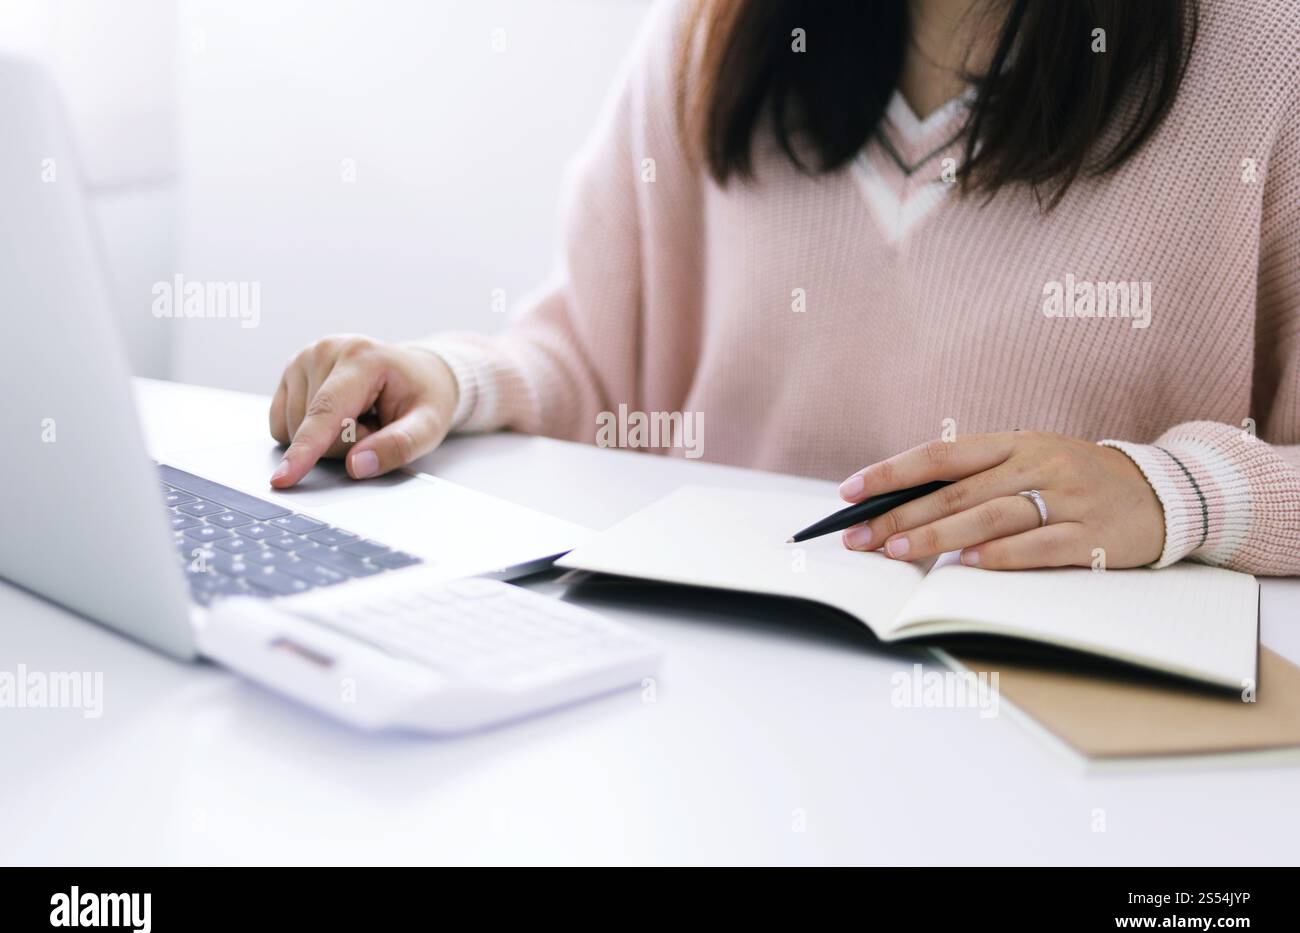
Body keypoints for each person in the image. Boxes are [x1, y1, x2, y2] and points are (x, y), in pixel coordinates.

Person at [267, 0, 1300, 574]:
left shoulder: (1270, 51)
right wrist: (447, 378)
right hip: (720, 677)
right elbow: (591, 358)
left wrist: (1176, 496)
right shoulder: (715, 32)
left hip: (1070, 719)